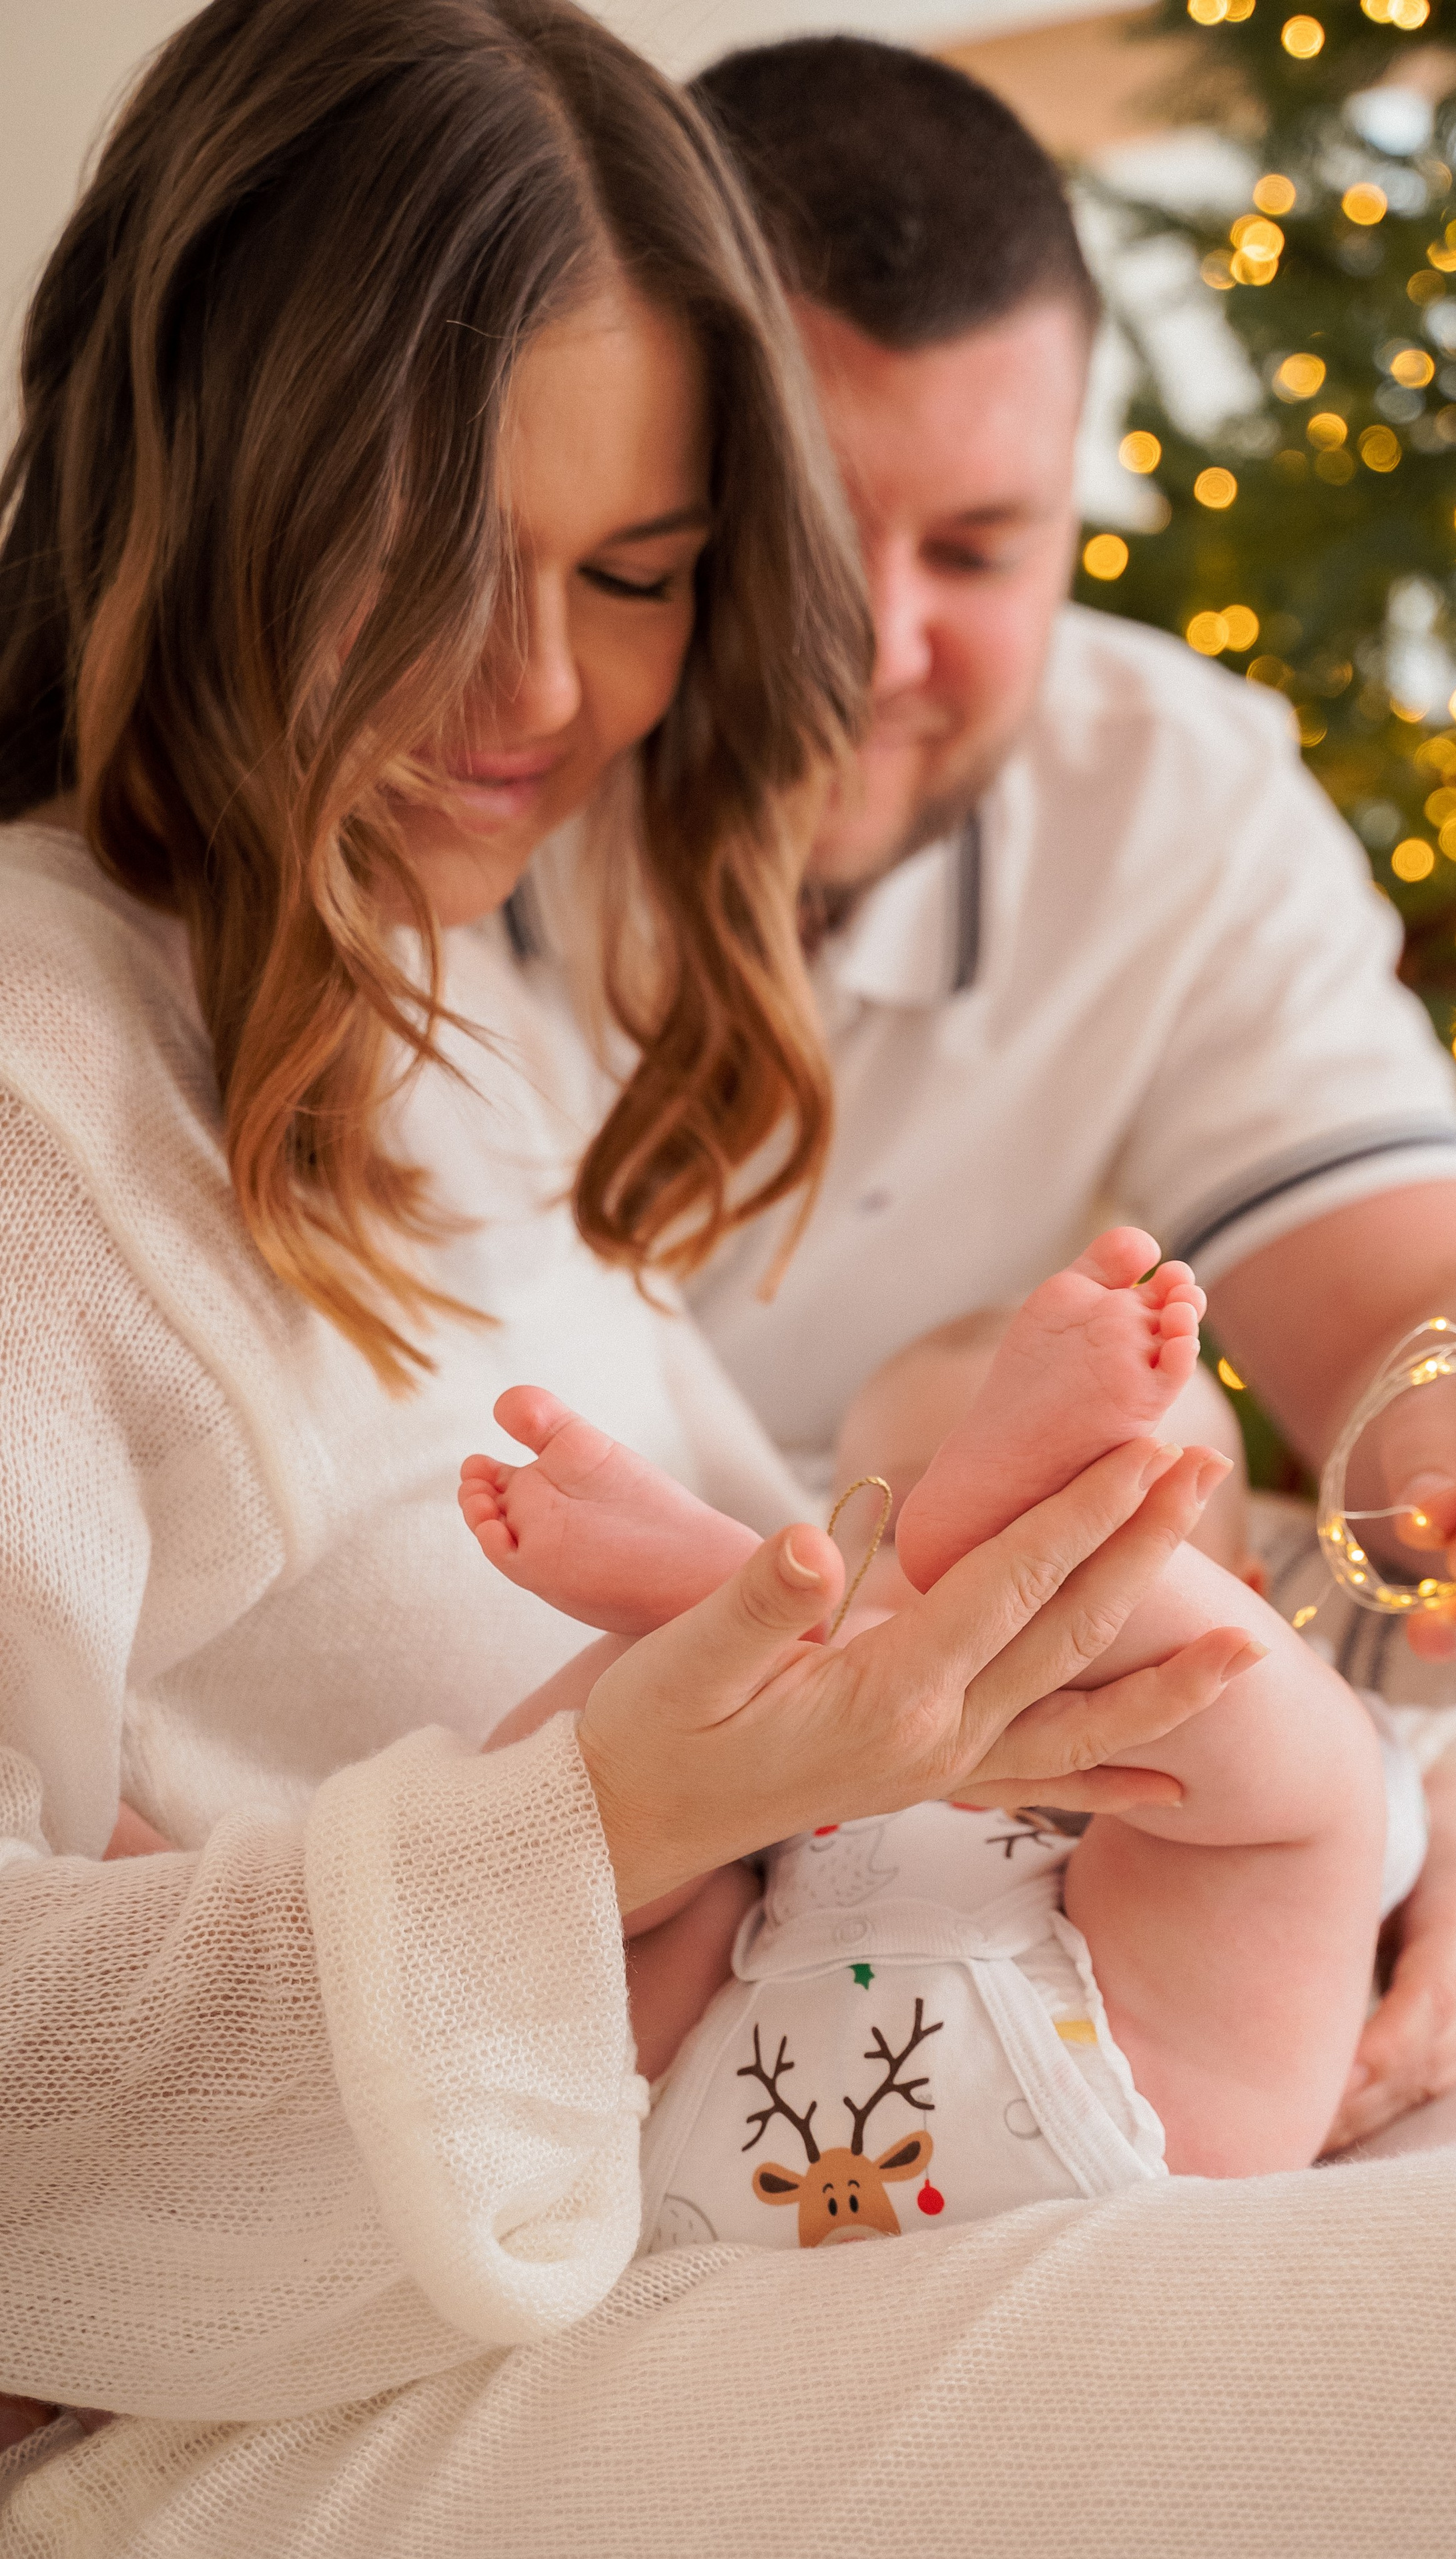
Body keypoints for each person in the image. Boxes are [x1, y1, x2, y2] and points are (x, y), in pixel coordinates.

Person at [0, 0, 1232, 2483]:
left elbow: (766, 1564)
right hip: (328, 2381)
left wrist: (1356, 1831)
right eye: (429, 560)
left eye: (640, 574)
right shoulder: (40, 1090)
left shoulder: (424, 980)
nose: (546, 693)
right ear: (199, 474)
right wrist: (605, 1818)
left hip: (732, 2169)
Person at [682, 34, 1456, 2146]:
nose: (883, 647)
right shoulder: (447, 785)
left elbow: (1424, 1299)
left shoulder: (1175, 800)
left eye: (979, 547)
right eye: (801, 531)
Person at [459, 1226, 1389, 2217]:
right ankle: (710, 1632)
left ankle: (728, 1623)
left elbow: (1397, 1791)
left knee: (1286, 1762)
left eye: (1087, 1508)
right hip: (743, 2066)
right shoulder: (791, 1767)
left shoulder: (1286, 1723)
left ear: (1249, 1586)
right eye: (901, 1531)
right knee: (560, 1869)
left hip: (1075, 2062)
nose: (962, 1589)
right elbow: (514, 1894)